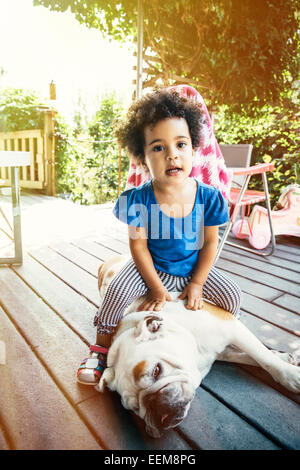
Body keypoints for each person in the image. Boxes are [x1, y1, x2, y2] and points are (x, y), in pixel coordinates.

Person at [77, 88, 242, 386]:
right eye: (158, 147)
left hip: (192, 268)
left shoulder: (208, 198)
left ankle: (213, 341)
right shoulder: (138, 200)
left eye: (181, 144)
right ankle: (100, 350)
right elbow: (137, 246)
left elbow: (210, 245)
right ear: (142, 158)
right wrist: (154, 288)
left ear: (194, 149)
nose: (172, 154)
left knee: (233, 296)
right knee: (115, 293)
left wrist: (198, 283)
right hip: (150, 268)